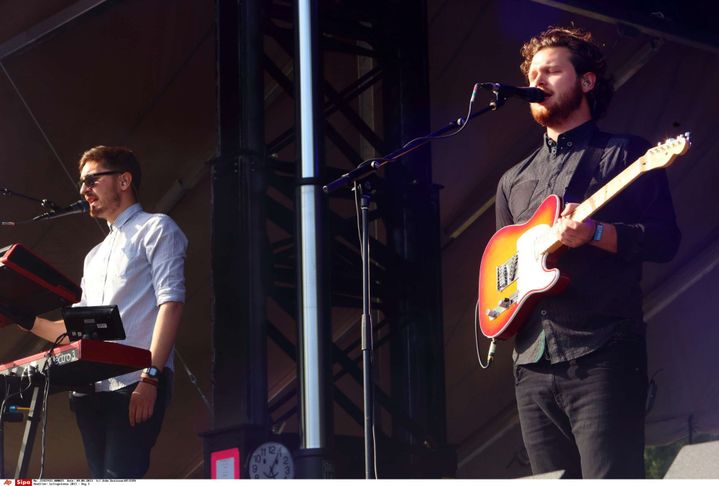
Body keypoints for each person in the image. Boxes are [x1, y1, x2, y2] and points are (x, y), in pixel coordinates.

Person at [494, 27, 681, 478]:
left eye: (552, 71)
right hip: (532, 362)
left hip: (603, 351)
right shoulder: (512, 179)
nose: (538, 80)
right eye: (533, 73)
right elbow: (504, 265)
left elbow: (664, 240)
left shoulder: (626, 154)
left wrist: (597, 233)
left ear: (587, 81)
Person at [26, 146, 187, 478]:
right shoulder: (94, 256)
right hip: (91, 390)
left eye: (92, 180)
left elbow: (171, 304)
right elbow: (73, 331)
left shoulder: (157, 229)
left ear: (124, 180)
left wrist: (150, 377)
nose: (84, 190)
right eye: (82, 183)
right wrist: (22, 317)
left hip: (135, 382)